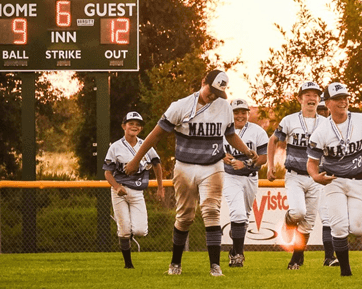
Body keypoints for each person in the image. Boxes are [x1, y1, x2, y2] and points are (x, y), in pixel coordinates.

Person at [125, 70, 258, 277]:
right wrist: (135, 159)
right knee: (185, 216)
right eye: (211, 90)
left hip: (212, 165)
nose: (213, 95)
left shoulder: (224, 106)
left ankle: (215, 265)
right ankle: (175, 263)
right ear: (203, 81)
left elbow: (230, 135)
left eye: (218, 92)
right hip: (185, 166)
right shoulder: (180, 106)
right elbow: (155, 135)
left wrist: (247, 151)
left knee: (211, 211)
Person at [307, 82, 362, 276]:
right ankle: (345, 270)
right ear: (327, 103)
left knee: (359, 229)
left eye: (345, 97)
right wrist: (316, 176)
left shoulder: (360, 119)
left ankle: (345, 245)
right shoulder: (321, 131)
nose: (343, 101)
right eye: (338, 98)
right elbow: (311, 162)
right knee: (339, 226)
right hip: (334, 181)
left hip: (358, 180)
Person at [267, 81, 329, 270]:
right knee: (298, 213)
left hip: (316, 177)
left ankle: (296, 258)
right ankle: (287, 223)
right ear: (299, 98)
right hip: (295, 174)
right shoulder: (290, 120)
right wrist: (270, 165)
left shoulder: (326, 123)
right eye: (307, 94)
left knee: (308, 223)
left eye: (315, 95)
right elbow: (273, 140)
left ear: (319, 99)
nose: (312, 98)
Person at [103, 111, 165, 269]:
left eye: (138, 124)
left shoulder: (145, 145)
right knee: (124, 230)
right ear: (124, 126)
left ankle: (127, 232)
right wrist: (116, 187)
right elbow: (107, 172)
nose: (134, 126)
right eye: (131, 123)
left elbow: (157, 165)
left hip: (137, 192)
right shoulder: (115, 147)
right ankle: (128, 264)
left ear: (141, 128)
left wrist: (160, 187)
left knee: (139, 230)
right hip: (120, 191)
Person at [223, 98, 269, 268]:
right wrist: (225, 158)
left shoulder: (257, 131)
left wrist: (246, 163)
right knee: (238, 213)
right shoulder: (223, 130)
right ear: (230, 113)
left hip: (250, 177)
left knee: (245, 217)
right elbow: (216, 151)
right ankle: (238, 255)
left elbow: (263, 157)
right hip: (230, 176)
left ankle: (235, 250)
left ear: (249, 113)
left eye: (243, 112)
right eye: (236, 112)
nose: (240, 115)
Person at [315, 99, 338, 266]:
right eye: (320, 109)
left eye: (325, 109)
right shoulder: (311, 128)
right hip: (313, 176)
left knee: (330, 218)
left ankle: (329, 256)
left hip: (331, 176)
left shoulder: (334, 128)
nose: (323, 112)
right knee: (307, 217)